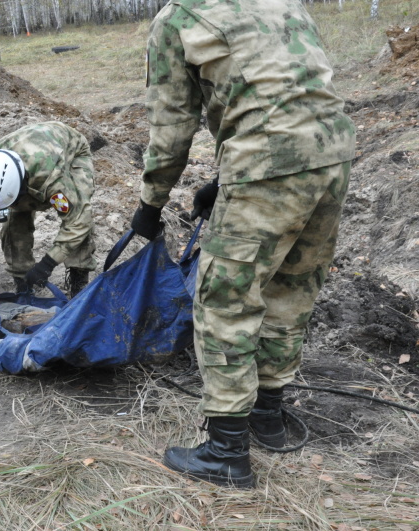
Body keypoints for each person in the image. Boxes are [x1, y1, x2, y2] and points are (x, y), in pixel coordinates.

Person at [132, 0, 356, 488]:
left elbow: (172, 130)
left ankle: (227, 450)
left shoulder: (175, 20)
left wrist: (150, 206)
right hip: (333, 152)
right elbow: (283, 90)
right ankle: (267, 418)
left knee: (224, 299)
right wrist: (222, 178)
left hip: (266, 162)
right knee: (289, 287)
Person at [0, 121, 96, 299]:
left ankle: (78, 278)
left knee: (79, 208)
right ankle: (23, 282)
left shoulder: (50, 180)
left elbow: (78, 222)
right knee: (14, 222)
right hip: (28, 155)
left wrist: (48, 263)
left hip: (72, 151)